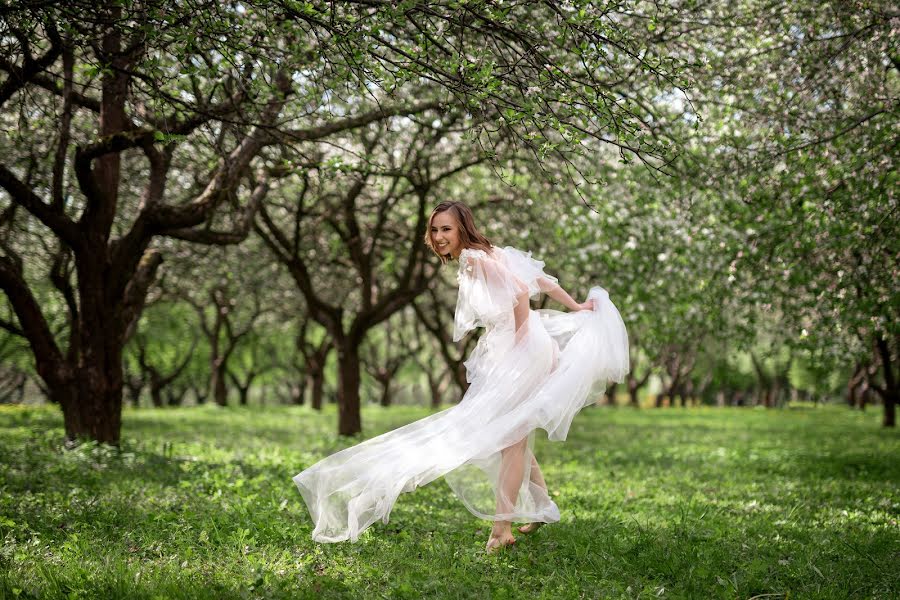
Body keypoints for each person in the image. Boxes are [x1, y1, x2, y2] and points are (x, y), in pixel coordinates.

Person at [293, 201, 629, 552]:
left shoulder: (474, 258)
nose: (439, 237)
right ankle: (541, 507)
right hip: (525, 345)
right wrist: (574, 305)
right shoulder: (492, 250)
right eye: (435, 230)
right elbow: (540, 280)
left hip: (520, 348)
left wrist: (519, 342)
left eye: (446, 229)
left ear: (462, 228)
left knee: (511, 436)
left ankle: (502, 529)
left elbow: (518, 290)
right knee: (514, 431)